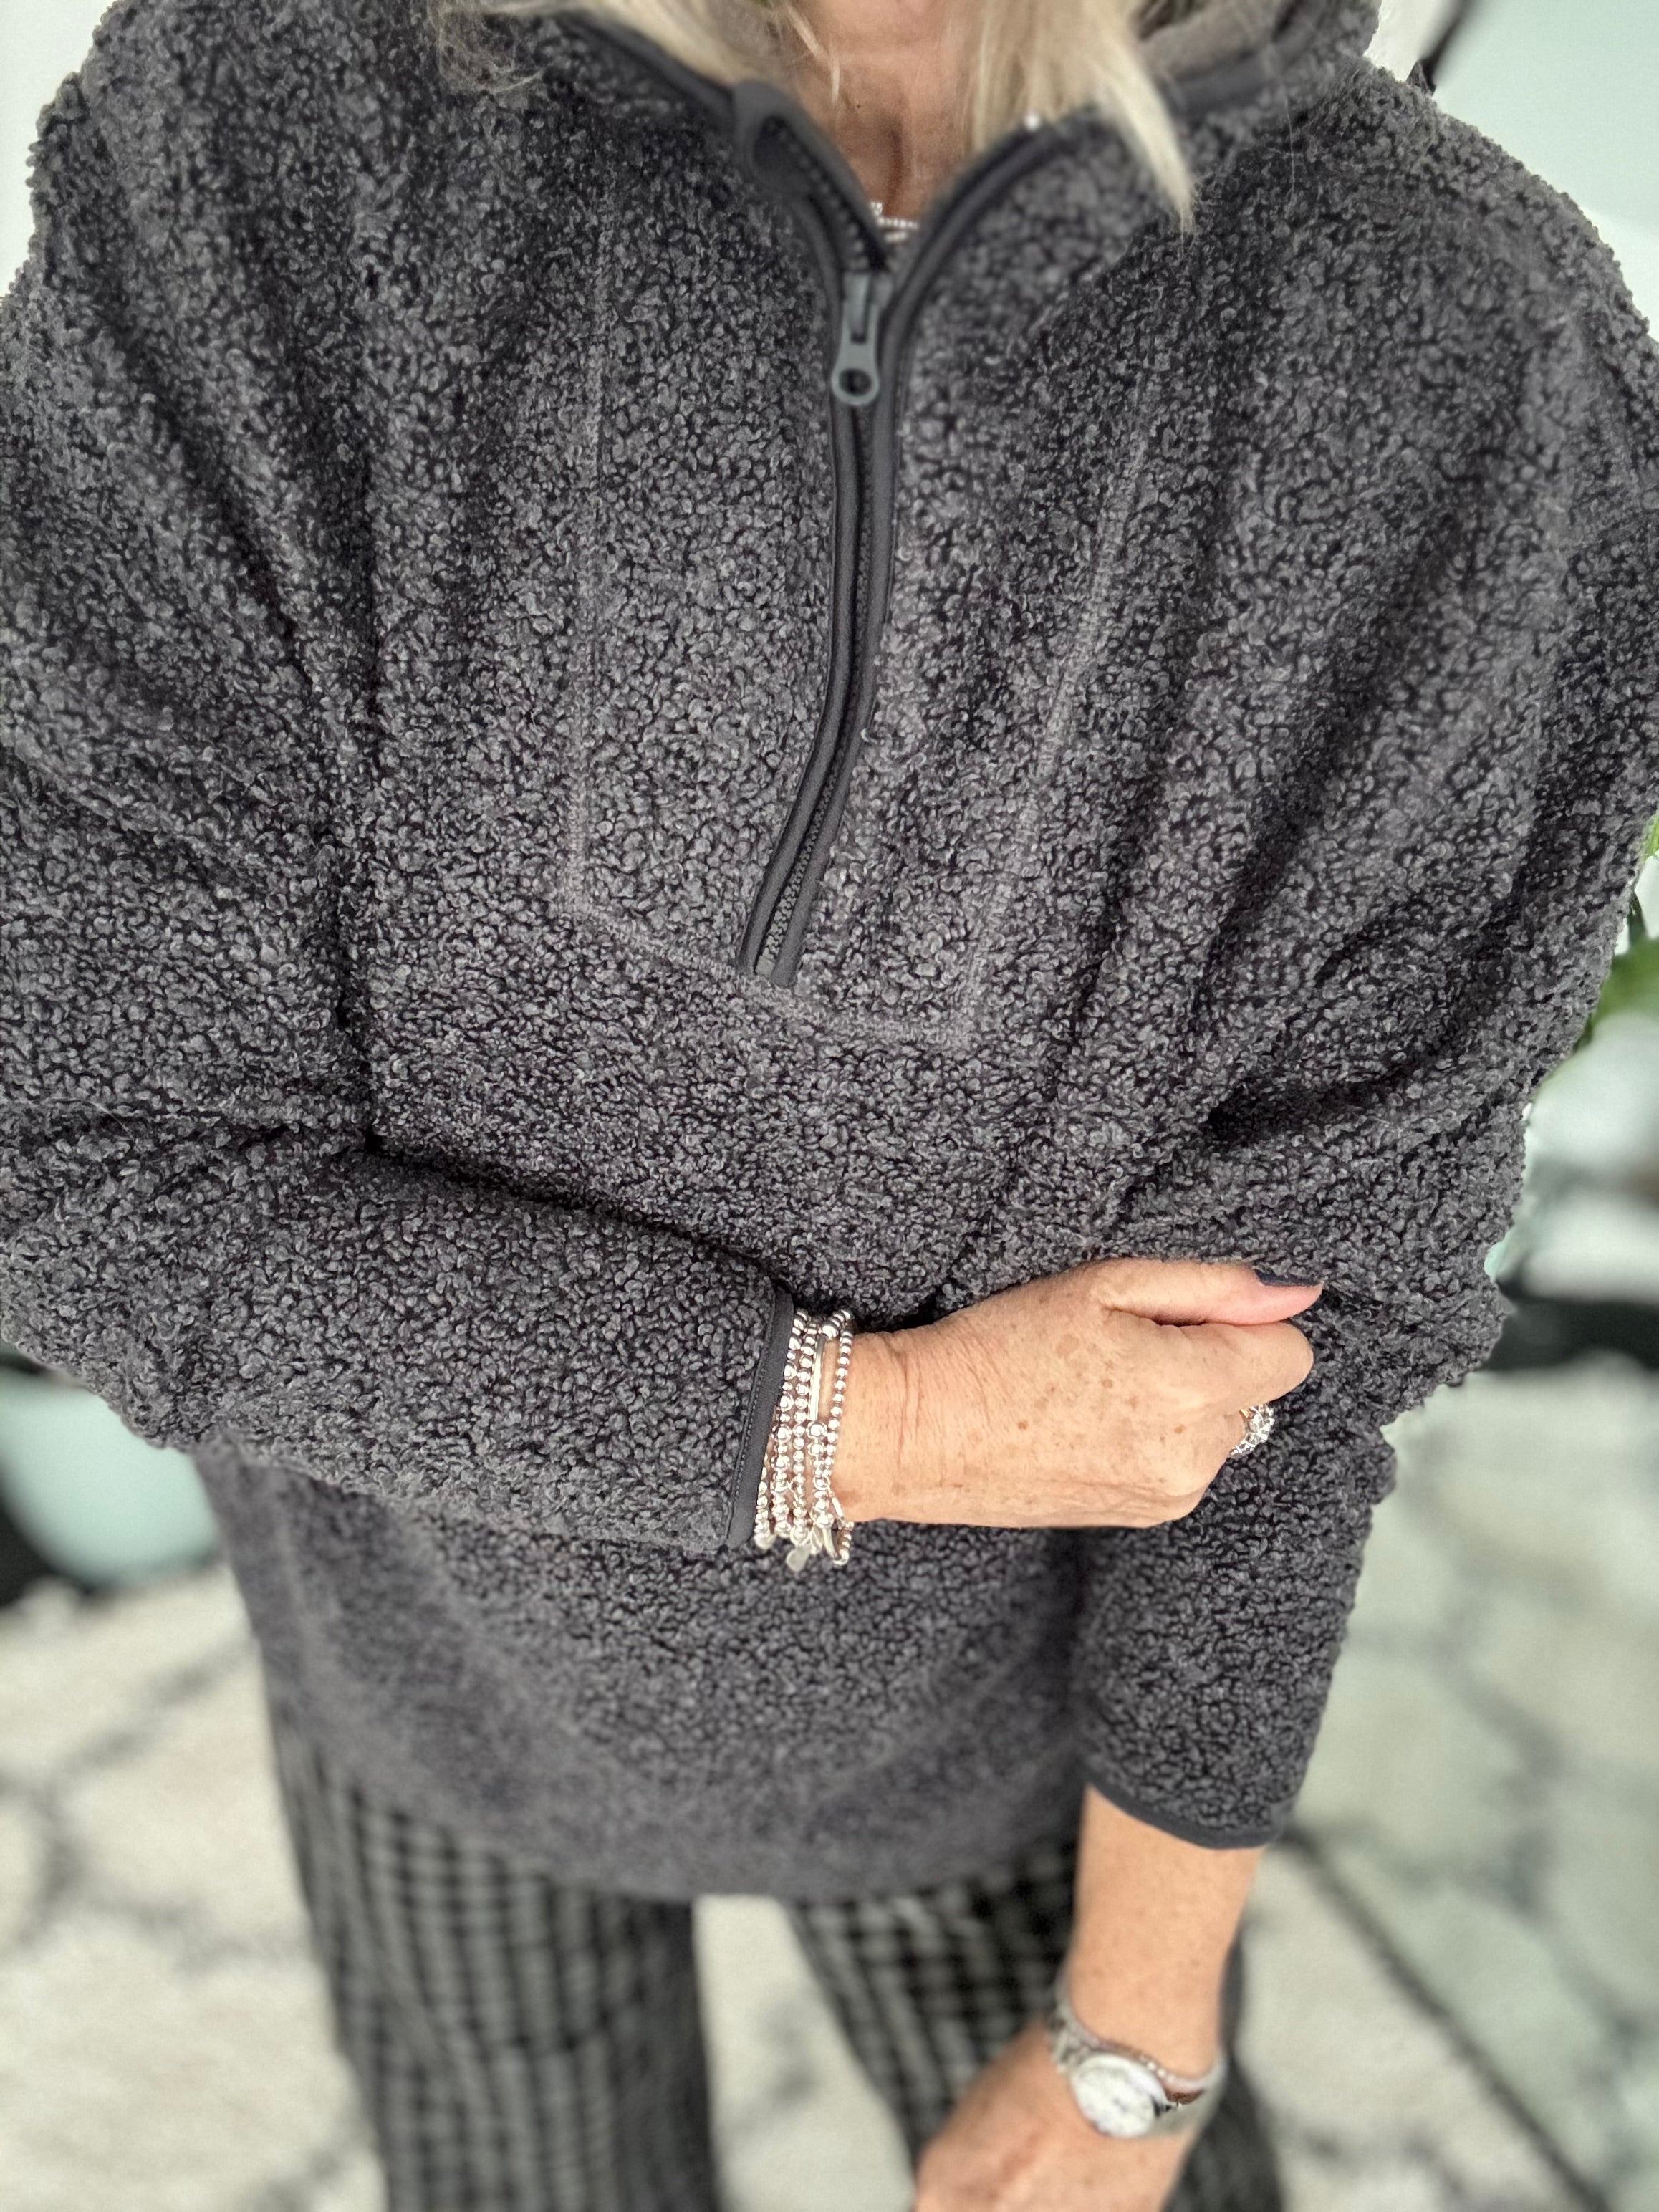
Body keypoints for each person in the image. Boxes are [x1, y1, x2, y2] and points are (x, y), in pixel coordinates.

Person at [2, 0, 1655, 2205]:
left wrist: (1131, 2041)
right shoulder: (263, 124)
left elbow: (1282, 1370)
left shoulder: (1468, 354)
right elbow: (91, 1172)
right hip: (414, 1657)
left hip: (999, 1747)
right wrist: (877, 1427)